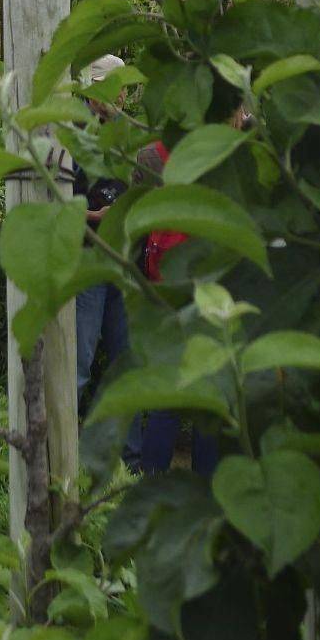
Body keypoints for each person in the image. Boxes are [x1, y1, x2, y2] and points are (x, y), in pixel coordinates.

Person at [73, 54, 142, 470]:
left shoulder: (125, 130)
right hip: (87, 259)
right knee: (78, 361)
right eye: (108, 86)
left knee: (125, 362)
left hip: (123, 259)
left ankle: (128, 464)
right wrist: (90, 215)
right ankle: (67, 461)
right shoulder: (70, 129)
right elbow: (55, 198)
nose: (116, 94)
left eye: (120, 87)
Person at [137, 140, 219, 478]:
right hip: (210, 292)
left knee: (166, 398)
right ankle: (206, 485)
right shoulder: (223, 153)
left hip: (164, 292)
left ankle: (150, 477)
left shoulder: (152, 154)